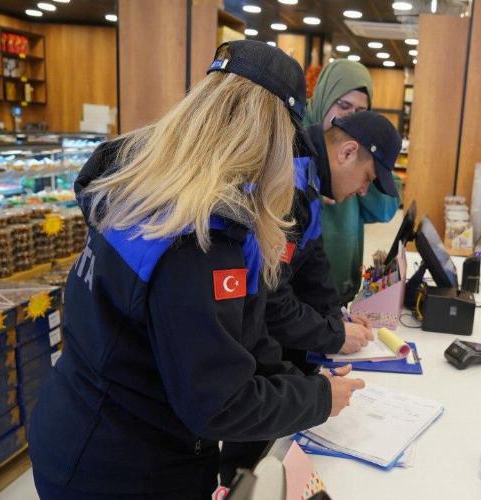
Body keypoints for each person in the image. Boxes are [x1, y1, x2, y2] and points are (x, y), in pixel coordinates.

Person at [27, 41, 365, 499]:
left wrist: (300, 384)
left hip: (81, 427)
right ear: (269, 135)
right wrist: (319, 400)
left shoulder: (148, 186)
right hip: (121, 468)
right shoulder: (198, 236)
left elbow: (237, 332)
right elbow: (218, 401)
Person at [220, 111, 402, 483]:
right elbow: (270, 299)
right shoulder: (289, 177)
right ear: (347, 152)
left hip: (265, 343)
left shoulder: (310, 178)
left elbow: (313, 262)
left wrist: (337, 318)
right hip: (243, 342)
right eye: (367, 178)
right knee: (253, 467)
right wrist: (333, 336)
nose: (364, 191)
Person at [305, 60, 401, 305]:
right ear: (325, 97)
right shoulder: (294, 141)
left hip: (341, 290)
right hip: (302, 299)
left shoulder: (360, 152)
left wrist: (362, 170)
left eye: (361, 112)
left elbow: (386, 208)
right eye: (344, 105)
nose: (350, 117)